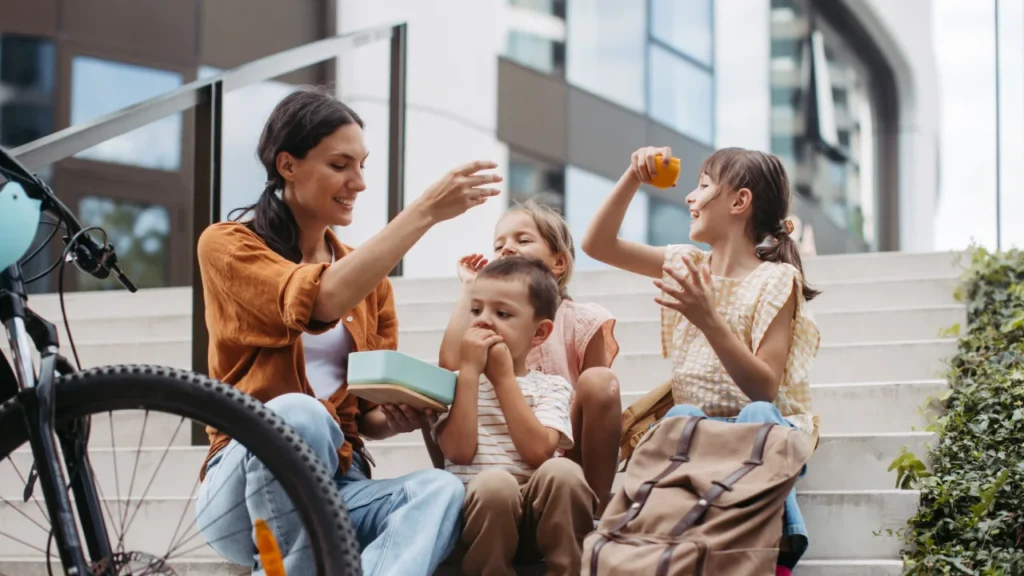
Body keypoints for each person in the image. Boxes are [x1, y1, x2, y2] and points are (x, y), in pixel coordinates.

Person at [192, 87, 503, 576]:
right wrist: (424, 211)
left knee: (440, 490)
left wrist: (394, 416)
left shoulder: (368, 279)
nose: (358, 182)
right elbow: (319, 301)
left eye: (362, 165)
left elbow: (364, 415)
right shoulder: (228, 245)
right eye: (340, 165)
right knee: (300, 412)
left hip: (338, 486)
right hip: (241, 490)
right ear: (287, 165)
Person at [581, 146, 821, 575]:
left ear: (739, 201)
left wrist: (708, 318)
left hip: (757, 432)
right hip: (698, 434)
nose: (690, 197)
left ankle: (781, 550)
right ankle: (657, 539)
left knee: (759, 413)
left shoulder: (776, 279)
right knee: (680, 415)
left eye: (704, 186)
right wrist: (633, 176)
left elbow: (764, 386)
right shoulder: (688, 263)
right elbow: (598, 245)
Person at [436, 199, 621, 515]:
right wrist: (470, 288)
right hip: (491, 458)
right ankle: (460, 496)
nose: (506, 249)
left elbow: (595, 399)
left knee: (601, 381)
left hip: (558, 451)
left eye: (522, 240)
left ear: (559, 262)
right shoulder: (485, 322)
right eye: (499, 245)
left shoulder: (582, 320)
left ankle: (595, 507)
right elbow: (451, 366)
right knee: (437, 395)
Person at [433, 256, 597, 576]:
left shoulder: (551, 386)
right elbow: (458, 451)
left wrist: (504, 380)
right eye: (476, 310)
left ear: (539, 333)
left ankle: (568, 568)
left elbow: (539, 452)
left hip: (537, 521)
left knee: (564, 471)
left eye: (502, 313)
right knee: (495, 484)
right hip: (477, 522)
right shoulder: (454, 383)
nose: (484, 321)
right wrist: (469, 373)